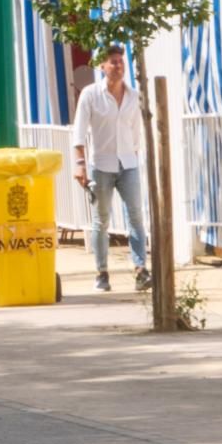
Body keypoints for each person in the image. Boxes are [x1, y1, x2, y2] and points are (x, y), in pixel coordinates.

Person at [72, 44, 150, 293]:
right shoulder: (91, 94)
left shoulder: (133, 96)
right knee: (101, 219)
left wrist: (134, 154)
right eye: (113, 62)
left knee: (136, 216)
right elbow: (79, 131)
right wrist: (80, 165)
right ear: (102, 66)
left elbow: (135, 129)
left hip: (128, 163)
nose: (118, 66)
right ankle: (101, 272)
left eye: (120, 61)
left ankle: (140, 269)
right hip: (101, 164)